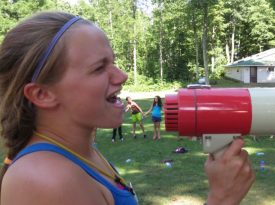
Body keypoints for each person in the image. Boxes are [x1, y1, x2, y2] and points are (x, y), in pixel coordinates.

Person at [0, 11, 255, 205]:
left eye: (113, 62)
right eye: (99, 68)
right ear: (42, 94)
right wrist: (221, 198)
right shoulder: (46, 181)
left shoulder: (80, 153)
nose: (121, 76)